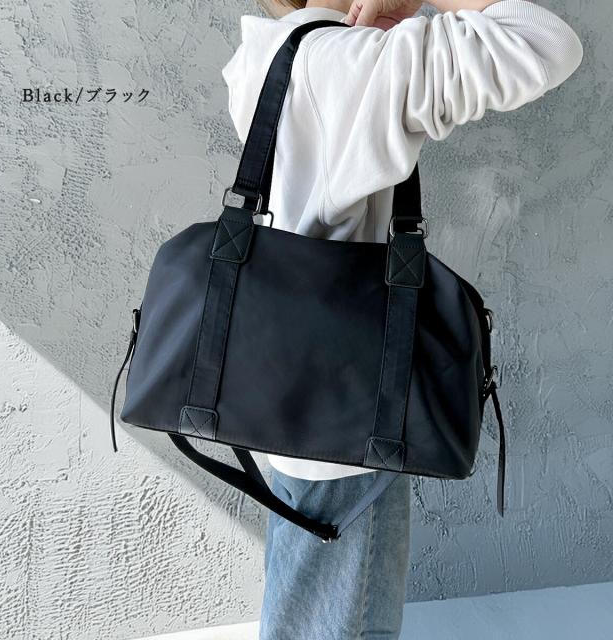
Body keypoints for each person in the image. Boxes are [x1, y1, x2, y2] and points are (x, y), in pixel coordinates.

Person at [221, 1, 583, 637]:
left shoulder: (265, 49)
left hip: (277, 382)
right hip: (350, 405)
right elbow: (549, 43)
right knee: (343, 611)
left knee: (309, 591)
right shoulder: (364, 64)